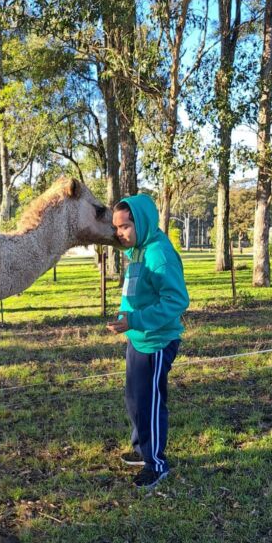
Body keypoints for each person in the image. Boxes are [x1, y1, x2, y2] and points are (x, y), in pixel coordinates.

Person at [107, 194, 189, 490]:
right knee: (134, 398)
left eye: (126, 226)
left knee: (150, 402)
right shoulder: (137, 252)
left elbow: (177, 300)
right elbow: (135, 293)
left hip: (156, 342)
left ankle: (156, 464)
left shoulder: (158, 254)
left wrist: (136, 321)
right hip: (137, 339)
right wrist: (125, 320)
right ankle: (143, 450)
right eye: (117, 228)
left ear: (141, 222)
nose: (120, 233)